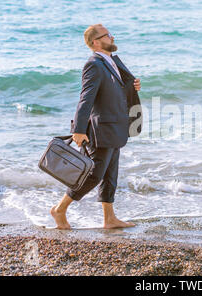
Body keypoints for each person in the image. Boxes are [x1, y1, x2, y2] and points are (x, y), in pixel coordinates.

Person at [50, 24, 142, 229]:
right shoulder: (94, 64)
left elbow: (114, 89)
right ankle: (59, 209)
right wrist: (79, 130)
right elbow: (86, 98)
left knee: (110, 174)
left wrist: (132, 86)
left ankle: (109, 219)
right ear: (96, 42)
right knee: (94, 174)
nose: (112, 37)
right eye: (108, 35)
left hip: (115, 126)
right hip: (100, 129)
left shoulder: (110, 62)